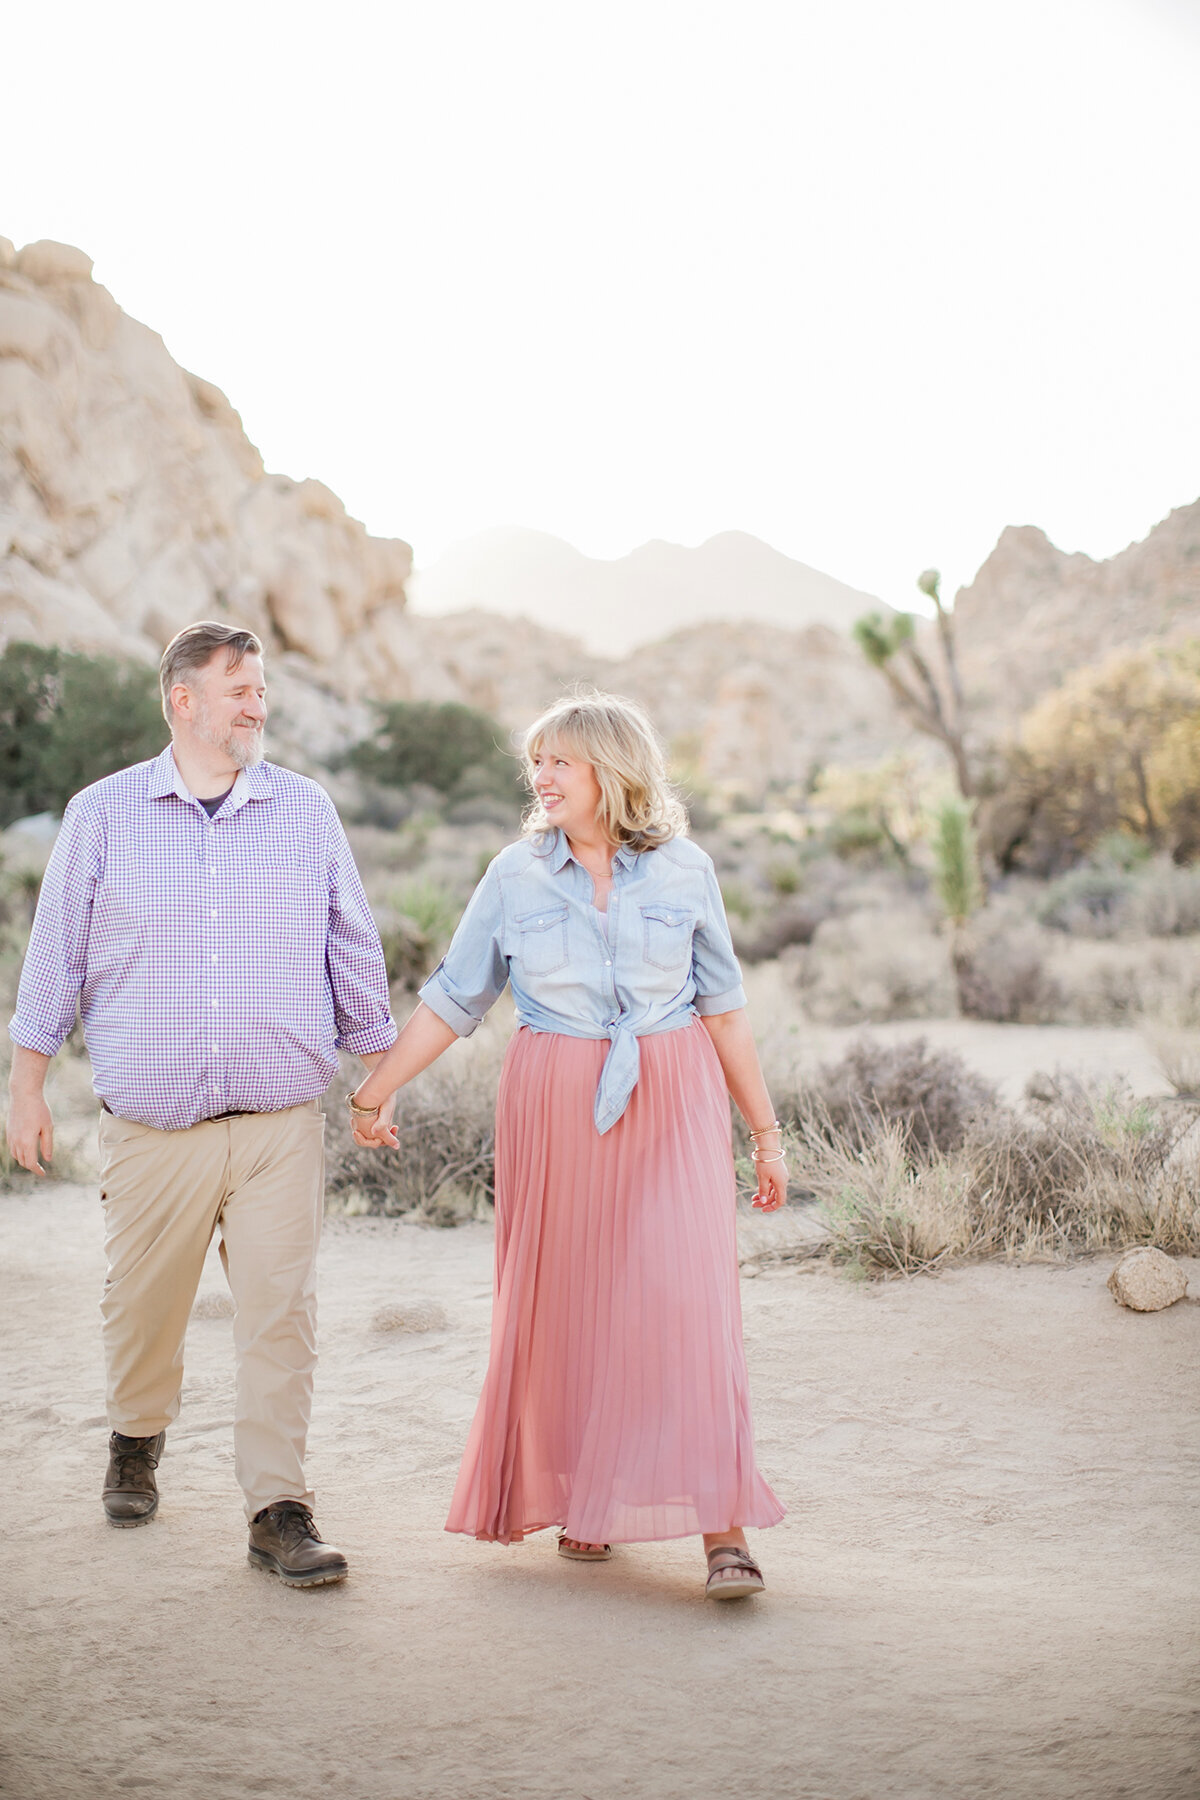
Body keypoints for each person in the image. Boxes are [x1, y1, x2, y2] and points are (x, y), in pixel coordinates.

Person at [348, 691, 786, 1599]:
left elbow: (725, 1009)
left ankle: (725, 1533)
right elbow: (455, 998)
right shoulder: (515, 875)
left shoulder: (686, 869)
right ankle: (590, 1498)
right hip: (554, 1102)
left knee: (685, 1302)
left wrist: (765, 1132)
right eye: (536, 762)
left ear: (611, 771)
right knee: (568, 1300)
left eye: (560, 762)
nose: (541, 778)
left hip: (671, 1094)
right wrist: (378, 1087)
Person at [5, 621, 397, 1588]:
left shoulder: (305, 811)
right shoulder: (102, 816)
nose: (258, 705)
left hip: (278, 1125)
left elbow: (351, 943)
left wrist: (378, 1076)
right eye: (239, 690)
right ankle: (136, 1436)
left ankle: (279, 1509)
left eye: (261, 689)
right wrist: (26, 1088)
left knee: (280, 1317)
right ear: (183, 701)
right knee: (144, 1309)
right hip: (155, 1126)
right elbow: (53, 958)